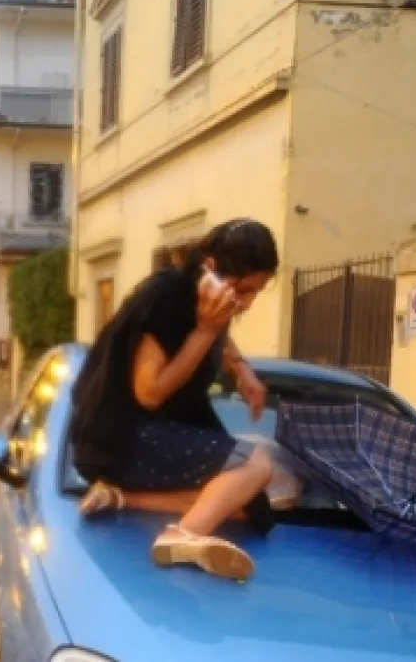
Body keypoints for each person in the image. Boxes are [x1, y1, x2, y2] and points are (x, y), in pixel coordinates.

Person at [70, 218, 281, 582]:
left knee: (249, 503)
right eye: (243, 290)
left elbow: (219, 340)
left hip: (156, 434)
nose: (246, 304)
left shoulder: (210, 298)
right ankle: (182, 535)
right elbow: (149, 393)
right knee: (257, 464)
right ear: (211, 268)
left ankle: (121, 498)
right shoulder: (166, 296)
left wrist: (240, 369)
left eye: (255, 293)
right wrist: (205, 331)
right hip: (119, 437)